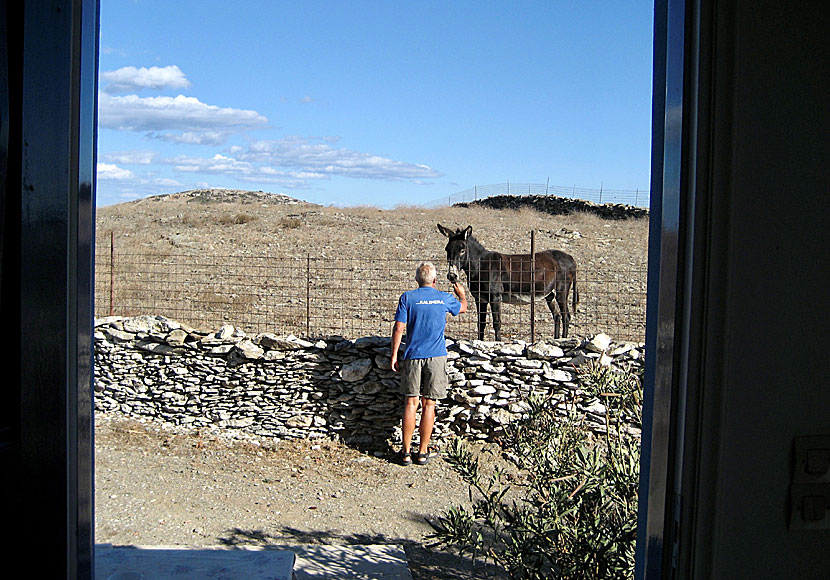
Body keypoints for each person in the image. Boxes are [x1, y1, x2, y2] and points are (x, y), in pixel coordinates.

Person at [391, 261, 467, 466]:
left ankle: (406, 452)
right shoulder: (443, 298)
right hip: (436, 356)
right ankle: (422, 451)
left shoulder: (408, 297)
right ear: (434, 280)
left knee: (410, 403)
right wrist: (461, 294)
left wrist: (394, 355)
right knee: (429, 404)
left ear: (417, 279)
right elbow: (462, 309)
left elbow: (399, 328)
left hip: (413, 355)